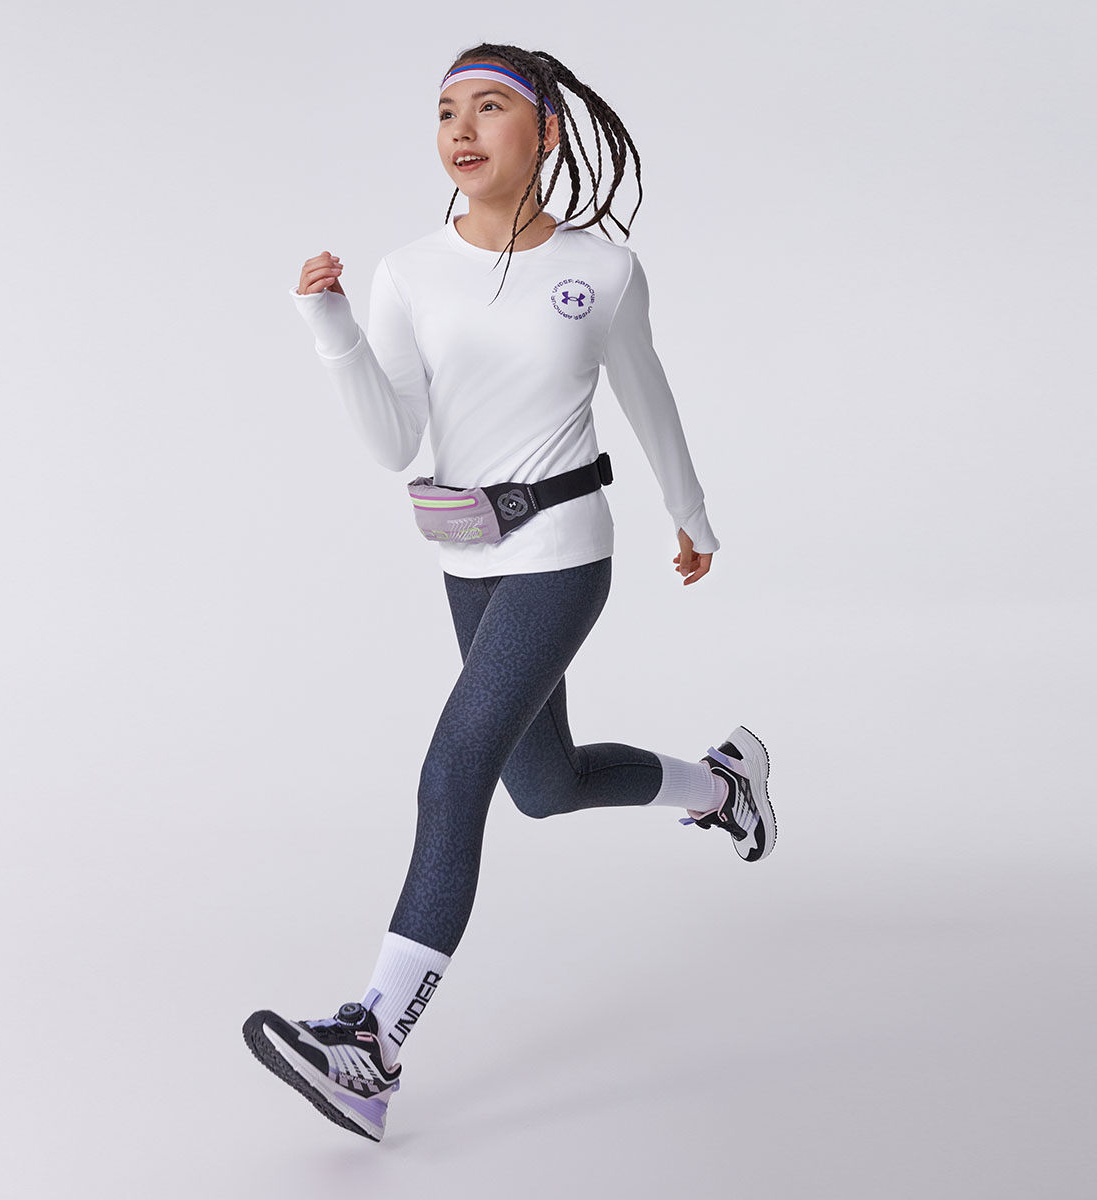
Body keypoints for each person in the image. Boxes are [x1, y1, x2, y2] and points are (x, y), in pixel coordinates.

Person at [242, 42, 777, 1143]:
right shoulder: (408, 272)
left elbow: (649, 396)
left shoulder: (603, 271)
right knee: (543, 784)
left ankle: (373, 1043)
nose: (463, 129)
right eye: (447, 111)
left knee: (455, 771)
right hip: (466, 555)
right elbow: (394, 442)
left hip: (564, 553)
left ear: (546, 132)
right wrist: (333, 328)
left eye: (490, 107)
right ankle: (722, 786)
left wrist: (691, 513)